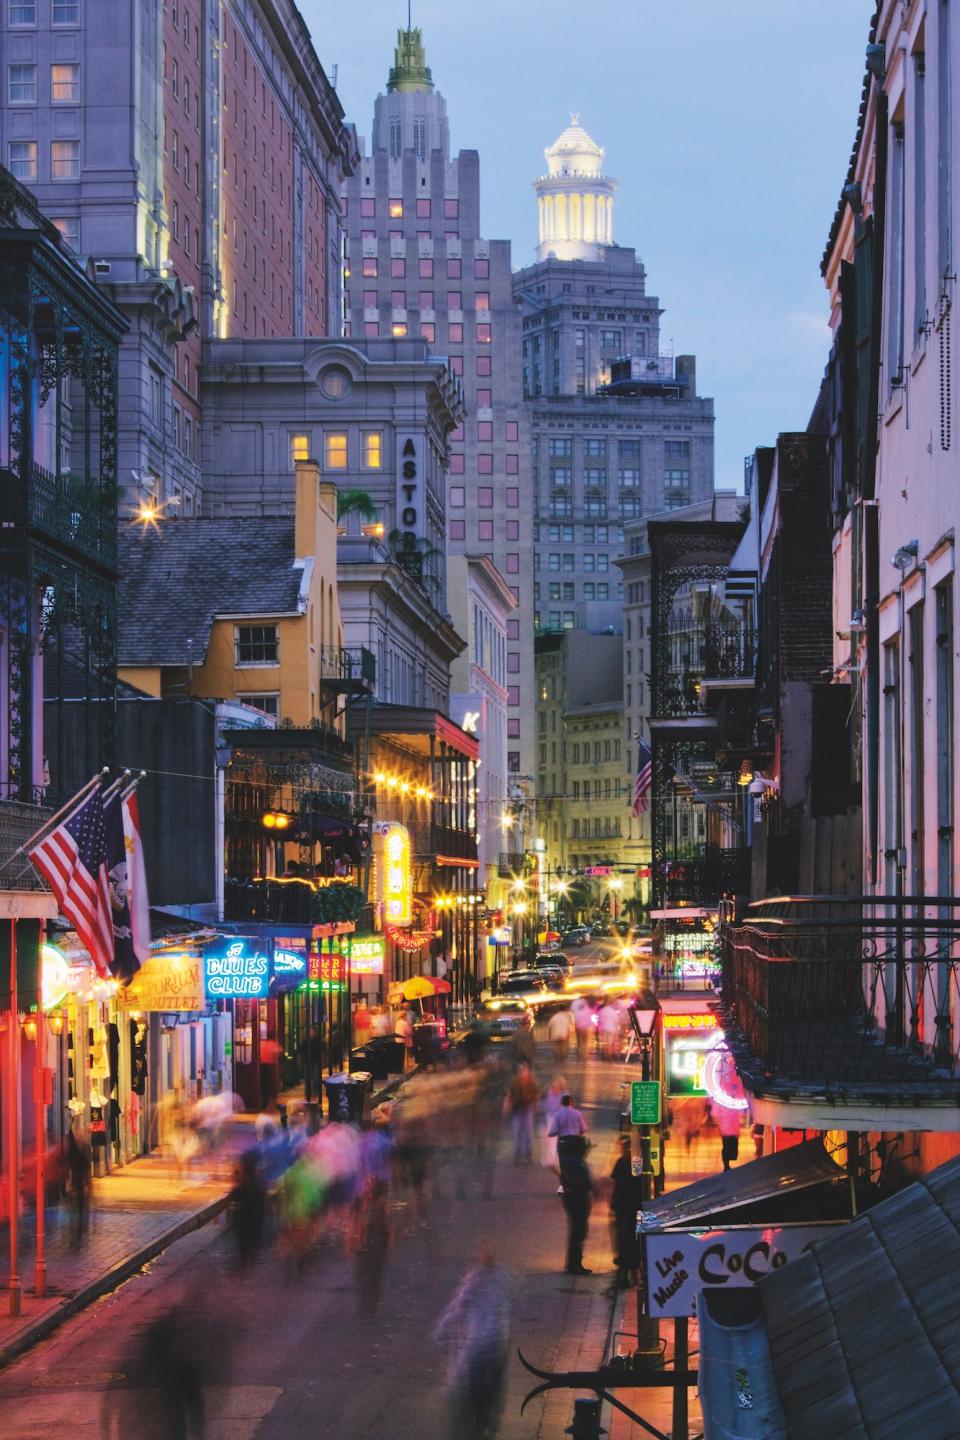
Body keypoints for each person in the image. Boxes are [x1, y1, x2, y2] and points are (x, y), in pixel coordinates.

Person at [433, 1250, 511, 1440]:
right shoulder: (502, 1278)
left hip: (479, 1349)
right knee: (490, 1392)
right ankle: (486, 1425)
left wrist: (441, 1332)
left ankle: (477, 1427)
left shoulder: (474, 1281)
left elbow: (457, 1308)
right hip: (497, 1347)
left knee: (474, 1393)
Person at [610, 1136, 643, 1288]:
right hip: (633, 1206)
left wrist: (613, 1205)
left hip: (624, 1206)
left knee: (624, 1238)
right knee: (633, 1239)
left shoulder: (623, 1162)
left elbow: (616, 1184)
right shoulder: (636, 1163)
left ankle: (624, 1272)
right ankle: (633, 1272)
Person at [559, 1148, 593, 1275]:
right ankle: (575, 1264)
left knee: (576, 1231)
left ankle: (573, 1263)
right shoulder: (577, 1163)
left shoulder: (566, 1160)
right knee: (578, 1232)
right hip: (578, 1200)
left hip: (573, 1199)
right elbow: (585, 1183)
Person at [504, 1062, 539, 1163]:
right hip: (517, 1110)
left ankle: (528, 1154)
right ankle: (518, 1154)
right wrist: (506, 1107)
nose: (523, 1073)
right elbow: (509, 1096)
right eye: (521, 1071)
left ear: (528, 1072)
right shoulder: (515, 1083)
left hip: (527, 1110)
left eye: (525, 1071)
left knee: (528, 1132)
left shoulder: (531, 1082)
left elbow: (536, 1094)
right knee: (517, 1132)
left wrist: (535, 1107)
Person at [548, 1091, 588, 1163]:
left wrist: (551, 1134)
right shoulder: (577, 1113)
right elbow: (584, 1129)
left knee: (563, 1164)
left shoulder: (557, 1115)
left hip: (563, 1141)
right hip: (575, 1141)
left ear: (561, 1103)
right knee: (575, 1164)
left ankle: (565, 1173)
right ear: (571, 1103)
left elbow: (553, 1132)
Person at [539, 1075, 567, 1172]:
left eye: (557, 1086)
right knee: (544, 1140)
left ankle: (551, 1161)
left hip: (556, 1121)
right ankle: (544, 1160)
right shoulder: (547, 1093)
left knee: (553, 1142)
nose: (555, 1088)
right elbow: (540, 1105)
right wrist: (542, 1106)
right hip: (546, 1119)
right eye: (554, 1086)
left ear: (561, 1087)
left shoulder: (564, 1096)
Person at [715, 1100, 743, 1171]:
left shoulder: (725, 1104)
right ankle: (726, 1165)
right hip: (727, 1129)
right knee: (727, 1147)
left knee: (727, 1147)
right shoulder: (733, 1105)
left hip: (727, 1129)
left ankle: (726, 1165)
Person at [571, 996, 595, 1061]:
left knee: (579, 1042)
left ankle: (580, 1055)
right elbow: (590, 1017)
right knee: (585, 1042)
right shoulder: (587, 1006)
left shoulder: (575, 1003)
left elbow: (572, 1013)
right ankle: (584, 1056)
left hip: (578, 1026)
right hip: (586, 1028)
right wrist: (592, 1027)